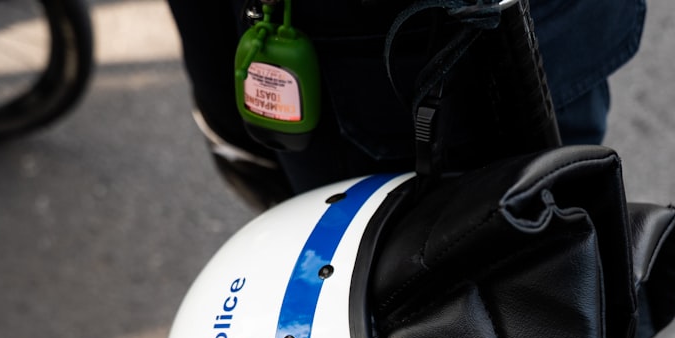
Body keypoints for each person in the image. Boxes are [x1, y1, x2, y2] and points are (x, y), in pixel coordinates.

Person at [165, 0, 647, 208]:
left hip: (372, 62)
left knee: (401, 314)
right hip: (550, 33)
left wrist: (225, 115)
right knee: (564, 263)